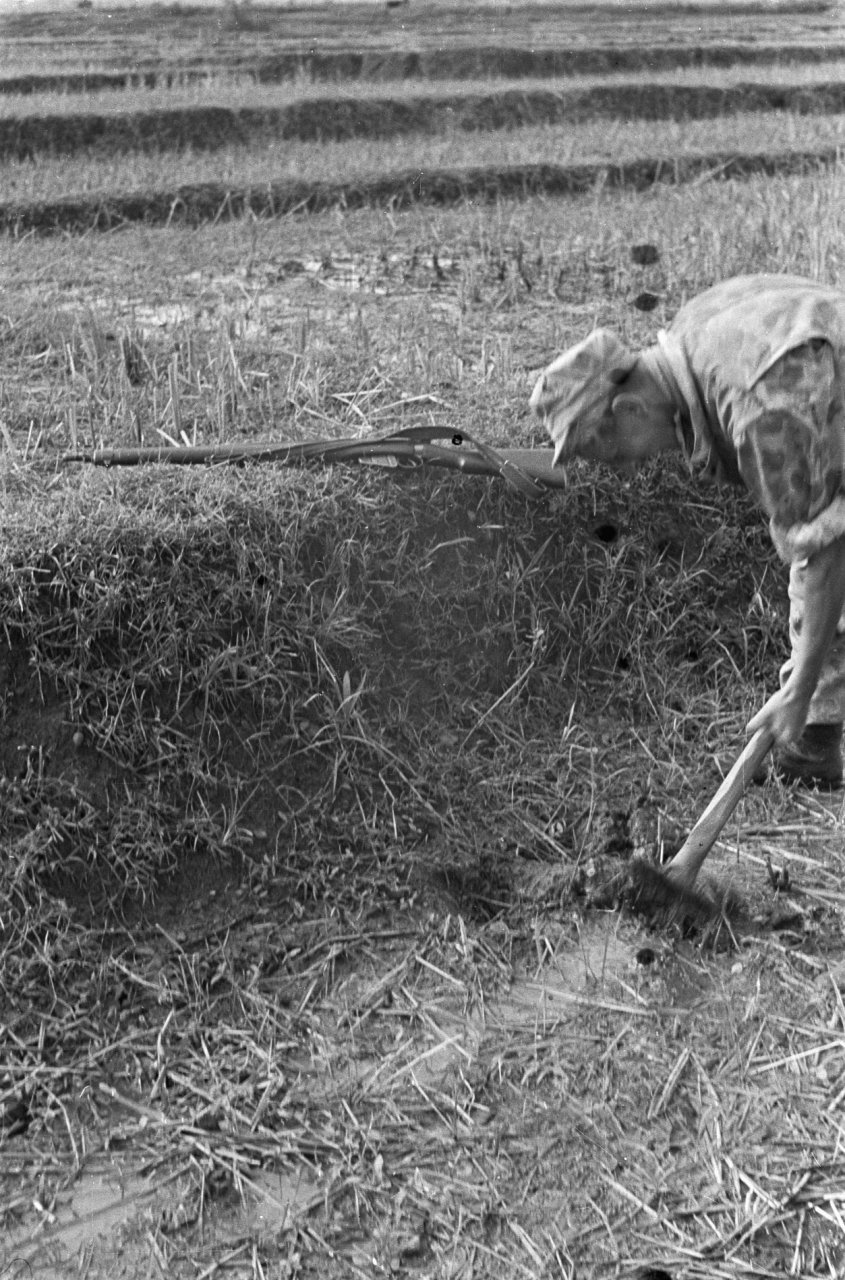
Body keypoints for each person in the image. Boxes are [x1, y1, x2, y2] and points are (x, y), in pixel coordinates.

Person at [529, 273, 845, 787]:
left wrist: (800, 688)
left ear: (629, 408)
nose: (624, 470)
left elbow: (828, 553)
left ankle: (812, 726)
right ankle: (813, 742)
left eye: (608, 452)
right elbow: (816, 529)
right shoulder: (696, 331)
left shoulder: (757, 410)